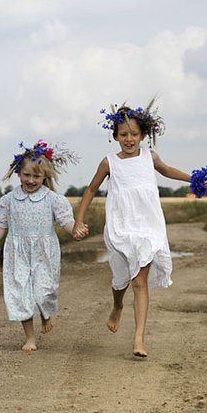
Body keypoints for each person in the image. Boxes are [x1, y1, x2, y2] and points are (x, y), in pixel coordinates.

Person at [73, 101, 192, 358]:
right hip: (121, 226)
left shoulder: (151, 157)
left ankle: (138, 338)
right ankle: (117, 305)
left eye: (134, 134)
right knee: (120, 279)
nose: (129, 139)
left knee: (140, 281)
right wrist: (78, 220)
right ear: (115, 136)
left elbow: (168, 170)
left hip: (149, 226)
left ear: (143, 136)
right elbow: (91, 189)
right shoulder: (109, 163)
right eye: (123, 134)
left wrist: (193, 179)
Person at [0, 140, 85, 352]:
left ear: (45, 177)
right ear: (18, 173)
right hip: (17, 252)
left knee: (44, 291)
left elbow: (65, 221)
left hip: (44, 252)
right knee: (21, 293)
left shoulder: (53, 200)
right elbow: (0, 225)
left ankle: (46, 313)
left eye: (36, 176)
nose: (31, 180)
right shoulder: (8, 200)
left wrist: (75, 230)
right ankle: (30, 338)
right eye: (27, 175)